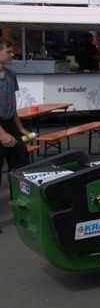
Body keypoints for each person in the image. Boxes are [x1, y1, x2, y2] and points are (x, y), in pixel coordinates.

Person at [0, 38, 31, 226]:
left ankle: (21, 209)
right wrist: (2, 134)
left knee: (21, 168)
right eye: (8, 51)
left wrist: (20, 129)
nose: (12, 54)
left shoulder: (11, 74)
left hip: (10, 125)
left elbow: (12, 105)